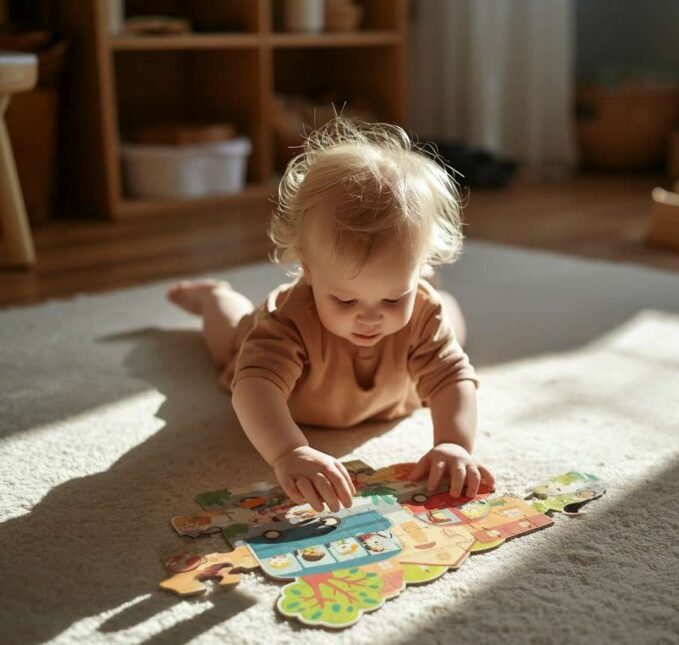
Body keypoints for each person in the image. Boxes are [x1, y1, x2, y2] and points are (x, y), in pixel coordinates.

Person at [168, 117, 495, 513]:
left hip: (396, 380)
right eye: (345, 300)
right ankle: (213, 297)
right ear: (307, 268)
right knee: (229, 338)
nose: (369, 318)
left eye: (392, 298)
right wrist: (289, 451)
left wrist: (453, 443)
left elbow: (451, 377)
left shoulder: (421, 310)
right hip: (282, 376)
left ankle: (430, 289)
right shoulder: (286, 321)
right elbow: (253, 388)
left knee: (445, 329)